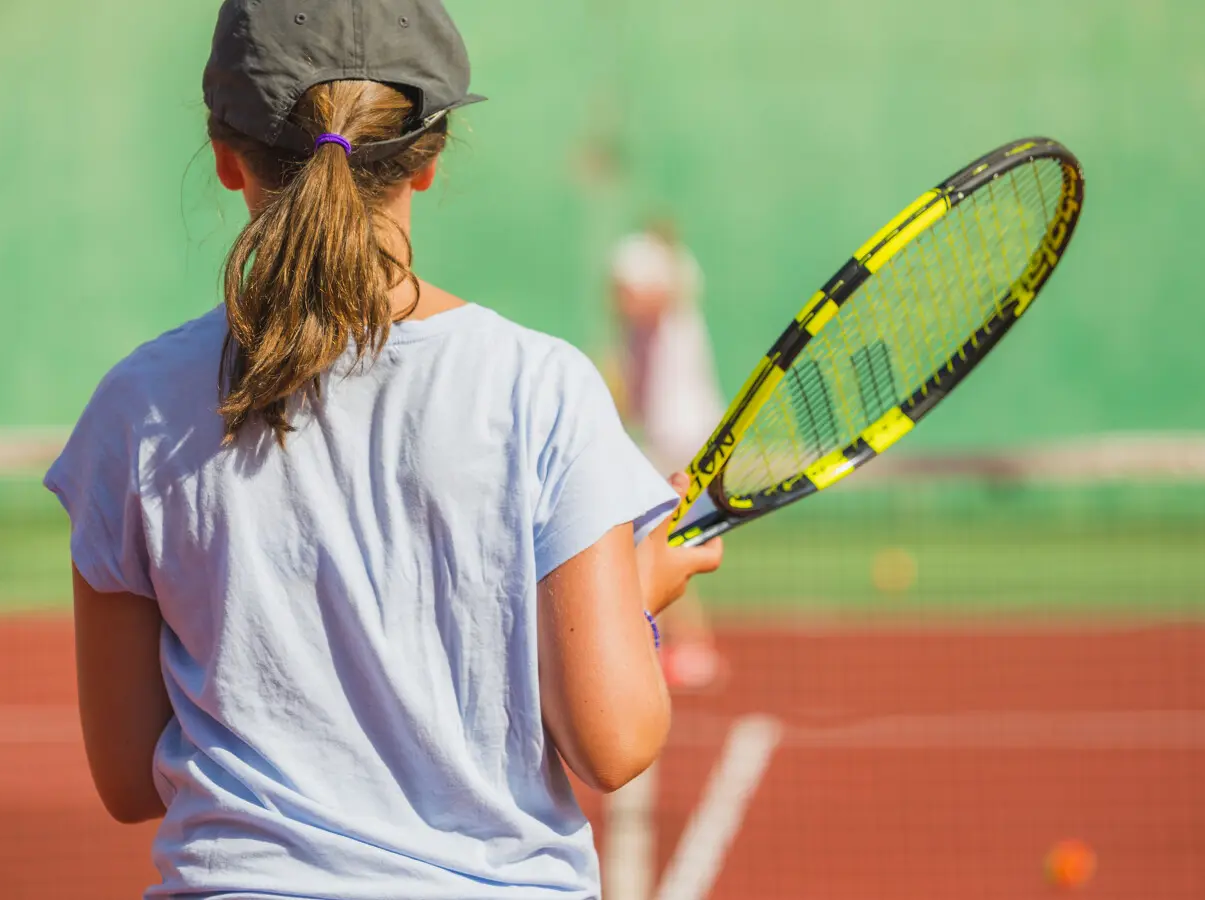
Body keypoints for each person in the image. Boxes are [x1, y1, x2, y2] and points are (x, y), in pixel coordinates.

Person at [43, 2, 723, 897]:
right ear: (431, 156)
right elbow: (615, 742)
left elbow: (130, 779)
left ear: (224, 153)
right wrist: (637, 595)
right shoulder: (541, 388)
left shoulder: (137, 405)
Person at [608, 218, 727, 692]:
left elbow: (652, 299)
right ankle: (684, 639)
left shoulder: (669, 301)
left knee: (669, 535)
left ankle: (691, 643)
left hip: (684, 433)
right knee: (657, 534)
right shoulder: (637, 332)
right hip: (664, 433)